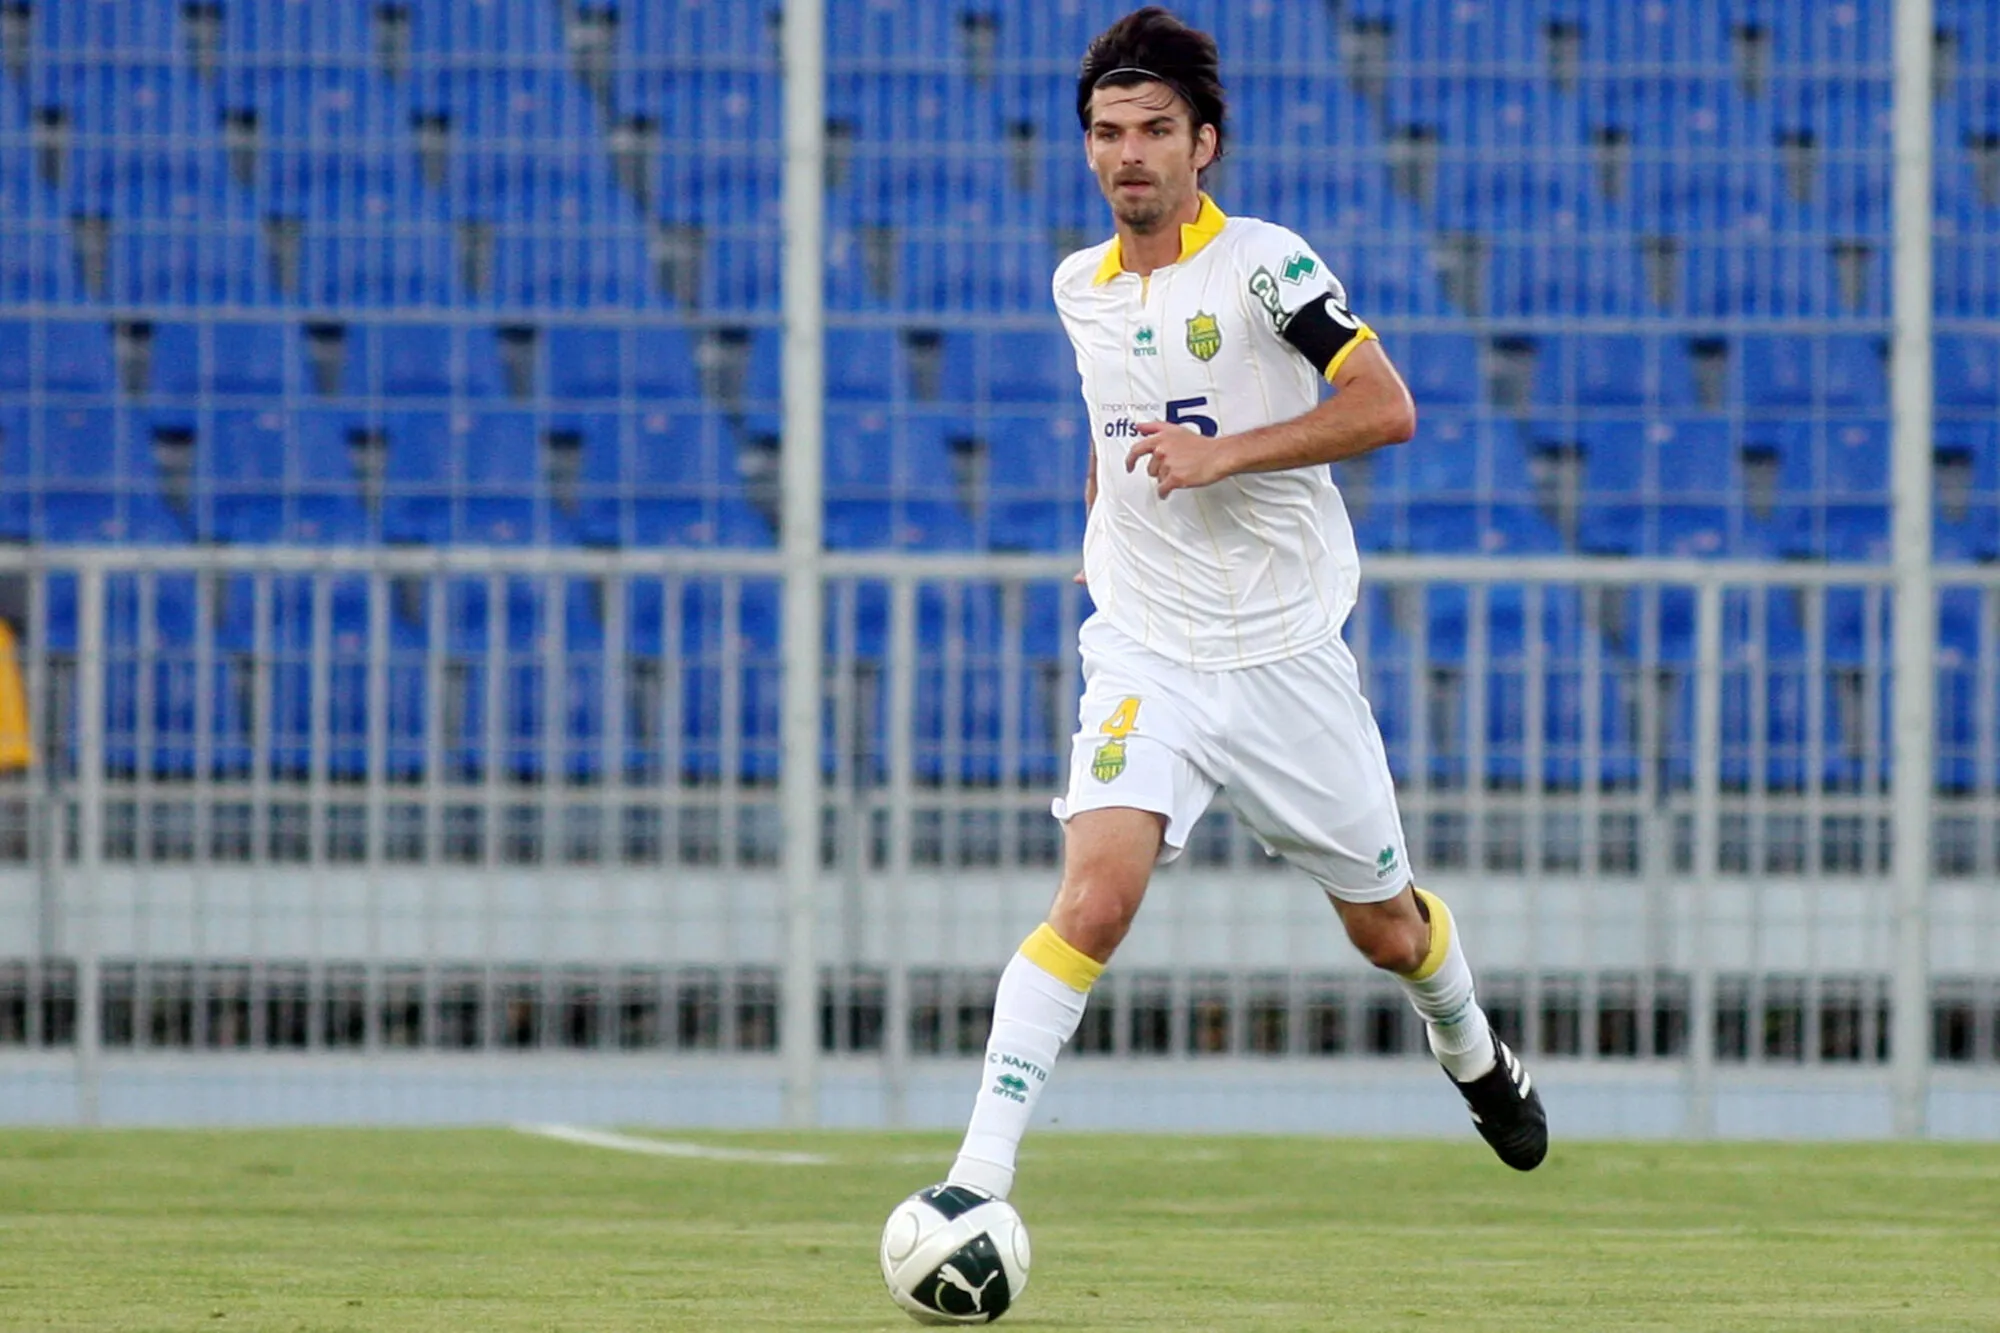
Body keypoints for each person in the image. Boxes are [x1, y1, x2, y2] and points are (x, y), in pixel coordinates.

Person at [936, 6, 1547, 1203]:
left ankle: (1467, 1041)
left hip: (1281, 657)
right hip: (1145, 651)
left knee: (1386, 931)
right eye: (1106, 133)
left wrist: (1230, 454)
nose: (1127, 154)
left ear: (1202, 143)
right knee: (1094, 897)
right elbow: (1112, 419)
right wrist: (1099, 523)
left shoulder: (1267, 264)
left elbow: (1385, 406)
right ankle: (973, 1182)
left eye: (1153, 130)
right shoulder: (1079, 287)